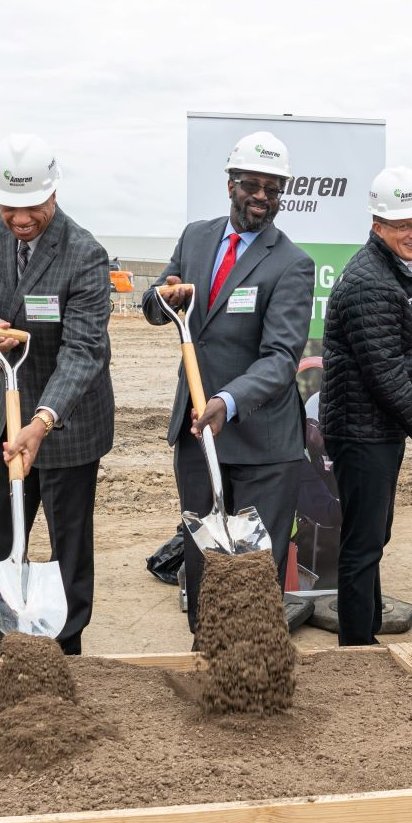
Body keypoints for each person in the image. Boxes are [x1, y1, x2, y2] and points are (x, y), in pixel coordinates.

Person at [143, 131, 314, 633]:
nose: (263, 196)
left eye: (274, 188)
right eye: (253, 184)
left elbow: (281, 357)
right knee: (203, 565)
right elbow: (158, 304)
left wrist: (227, 399)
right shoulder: (196, 237)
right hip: (199, 435)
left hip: (262, 444)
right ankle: (209, 660)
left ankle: (256, 670)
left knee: (256, 572)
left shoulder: (292, 264)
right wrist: (162, 298)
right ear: (231, 184)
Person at [0, 133, 113, 657]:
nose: (20, 219)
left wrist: (44, 420)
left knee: (69, 539)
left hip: (67, 422)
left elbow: (84, 351)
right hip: (8, 414)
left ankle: (66, 646)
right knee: (1, 533)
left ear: (52, 194)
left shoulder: (85, 254)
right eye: (9, 207)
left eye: (31, 208)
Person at [320, 166, 412, 646]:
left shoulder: (389, 272)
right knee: (363, 544)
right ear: (378, 226)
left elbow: (384, 355)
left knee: (373, 536)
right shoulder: (372, 283)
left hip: (373, 425)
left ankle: (369, 624)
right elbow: (381, 377)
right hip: (361, 430)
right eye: (404, 225)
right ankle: (357, 648)